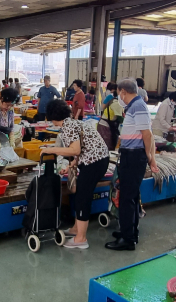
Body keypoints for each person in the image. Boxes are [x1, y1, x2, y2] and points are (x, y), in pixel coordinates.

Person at [41, 99, 110, 250]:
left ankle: (81, 239)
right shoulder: (73, 122)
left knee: (82, 198)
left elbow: (75, 150)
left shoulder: (68, 126)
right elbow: (83, 147)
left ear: (52, 116)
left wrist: (51, 149)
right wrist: (72, 164)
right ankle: (75, 229)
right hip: (98, 160)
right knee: (80, 195)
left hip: (94, 163)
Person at [105, 78, 158, 251]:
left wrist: (150, 158)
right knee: (131, 196)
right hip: (130, 155)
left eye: (119, 93)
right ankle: (129, 232)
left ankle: (127, 239)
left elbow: (147, 135)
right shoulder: (134, 106)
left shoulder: (138, 106)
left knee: (127, 198)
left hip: (134, 157)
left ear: (123, 92)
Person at [101, 82, 123, 148]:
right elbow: (120, 117)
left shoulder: (107, 94)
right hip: (108, 122)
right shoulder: (114, 100)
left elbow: (103, 105)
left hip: (107, 118)